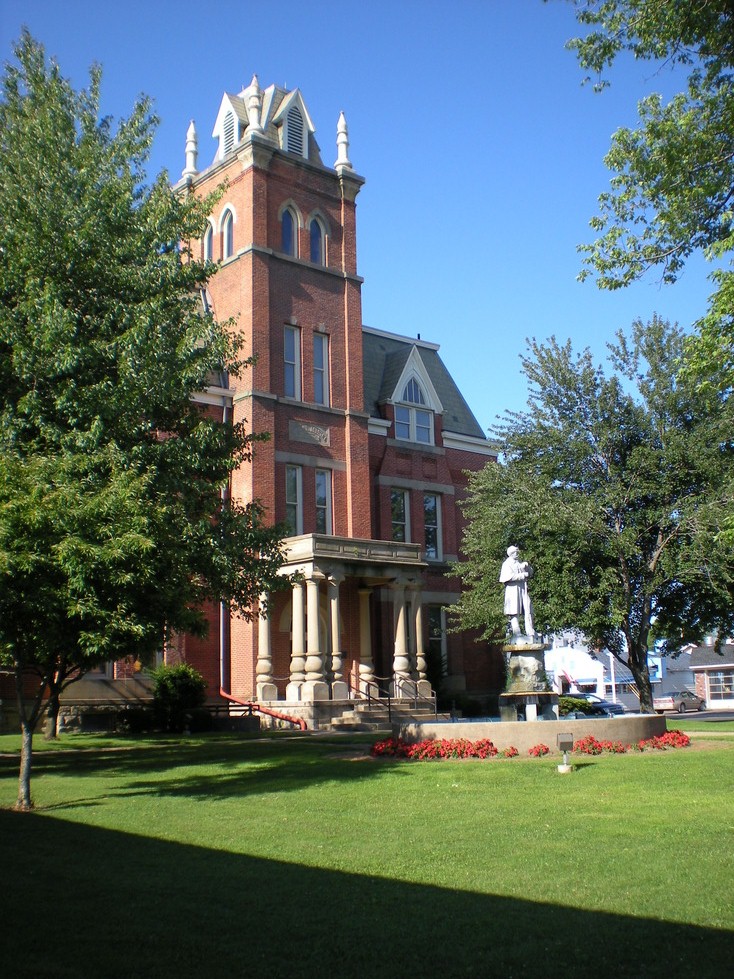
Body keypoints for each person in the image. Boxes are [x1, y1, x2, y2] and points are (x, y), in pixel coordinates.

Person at [499, 545, 535, 639]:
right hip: (513, 589)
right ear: (511, 553)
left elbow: (530, 573)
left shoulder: (519, 563)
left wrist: (527, 567)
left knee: (528, 608)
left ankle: (530, 631)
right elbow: (507, 577)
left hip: (523, 588)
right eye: (516, 552)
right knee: (514, 610)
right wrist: (522, 575)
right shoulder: (507, 564)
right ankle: (517, 632)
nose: (518, 553)